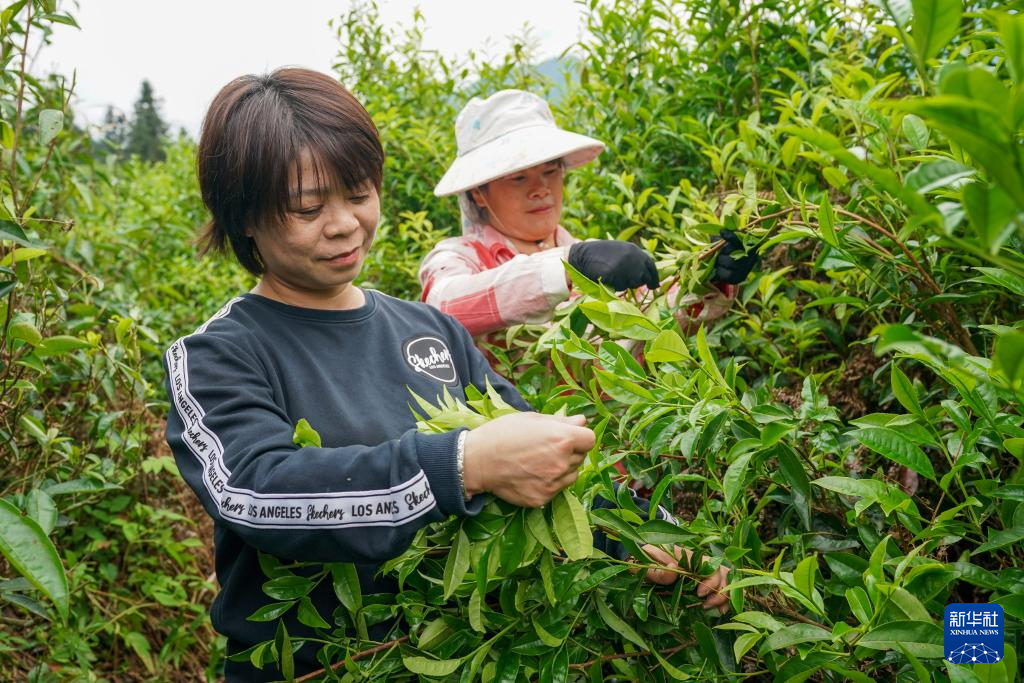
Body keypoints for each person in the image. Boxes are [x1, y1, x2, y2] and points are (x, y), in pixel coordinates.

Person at [164, 69, 729, 681]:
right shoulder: (218, 355)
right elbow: (256, 493)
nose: (344, 224)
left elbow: (547, 451)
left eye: (358, 194)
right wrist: (462, 465)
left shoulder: (428, 332)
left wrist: (649, 534)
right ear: (245, 217)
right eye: (307, 207)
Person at [419, 89, 757, 340]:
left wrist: (711, 276)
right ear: (479, 192)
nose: (541, 189)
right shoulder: (459, 256)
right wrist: (568, 267)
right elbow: (441, 307)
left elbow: (651, 323)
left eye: (550, 172)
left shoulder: (592, 256)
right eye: (518, 178)